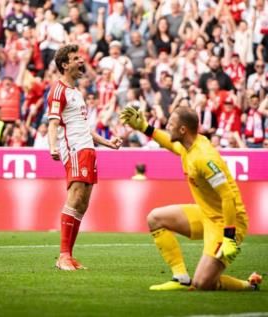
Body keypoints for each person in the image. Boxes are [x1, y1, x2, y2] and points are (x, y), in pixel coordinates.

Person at [120, 106, 262, 291]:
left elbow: (227, 197)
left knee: (203, 283)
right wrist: (144, 127)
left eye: (170, 124)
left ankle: (249, 285)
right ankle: (180, 278)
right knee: (155, 218)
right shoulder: (188, 146)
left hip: (229, 222)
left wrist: (229, 237)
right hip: (206, 215)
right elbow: (170, 144)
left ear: (182, 130)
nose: (166, 126)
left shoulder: (204, 157)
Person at [48, 44, 122, 271]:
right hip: (75, 150)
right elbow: (52, 122)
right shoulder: (58, 90)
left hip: (88, 148)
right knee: (75, 198)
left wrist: (107, 143)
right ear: (64, 65)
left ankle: (69, 255)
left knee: (82, 204)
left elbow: (84, 127)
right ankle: (62, 256)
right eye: (75, 58)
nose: (81, 61)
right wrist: (52, 146)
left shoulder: (76, 93)